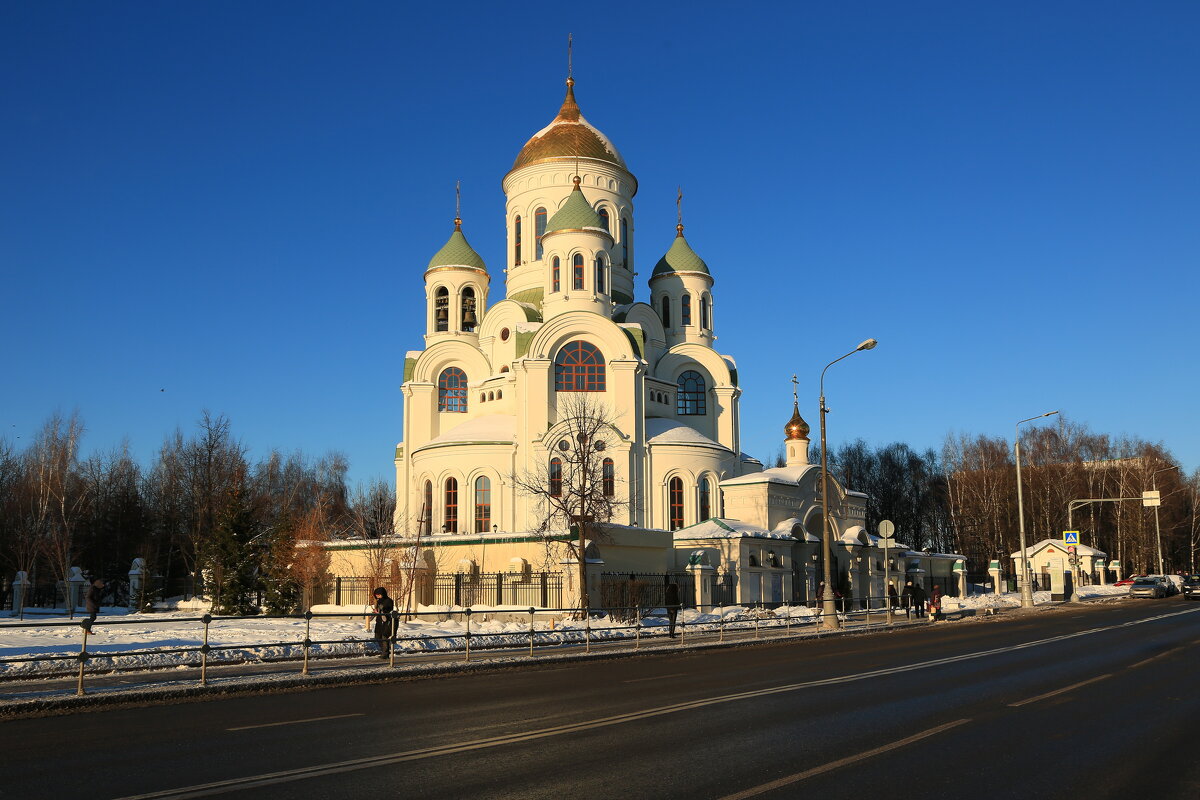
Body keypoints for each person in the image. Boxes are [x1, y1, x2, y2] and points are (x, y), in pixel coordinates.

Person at [371, 587, 396, 659]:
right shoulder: (378, 601)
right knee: (377, 636)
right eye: (376, 595)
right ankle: (384, 651)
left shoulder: (389, 601)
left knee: (384, 636)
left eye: (379, 595)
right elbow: (378, 610)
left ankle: (385, 653)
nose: (377, 596)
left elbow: (388, 609)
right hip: (379, 621)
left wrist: (381, 610)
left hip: (386, 621)